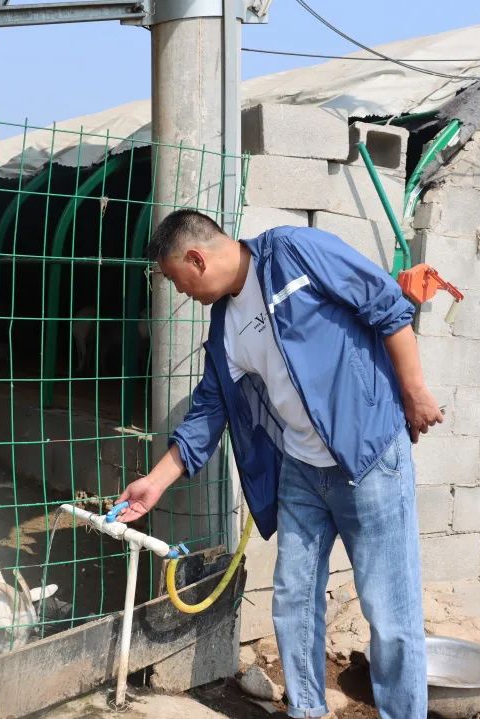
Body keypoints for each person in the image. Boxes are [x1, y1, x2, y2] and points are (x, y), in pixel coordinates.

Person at [115, 210, 442, 719]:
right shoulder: (224, 320)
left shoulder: (295, 251)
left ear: (198, 259)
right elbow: (211, 405)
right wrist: (156, 482)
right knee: (293, 602)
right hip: (302, 471)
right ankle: (307, 711)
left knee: (390, 612)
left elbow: (387, 305)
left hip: (369, 459)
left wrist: (415, 390)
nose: (184, 295)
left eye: (181, 283)